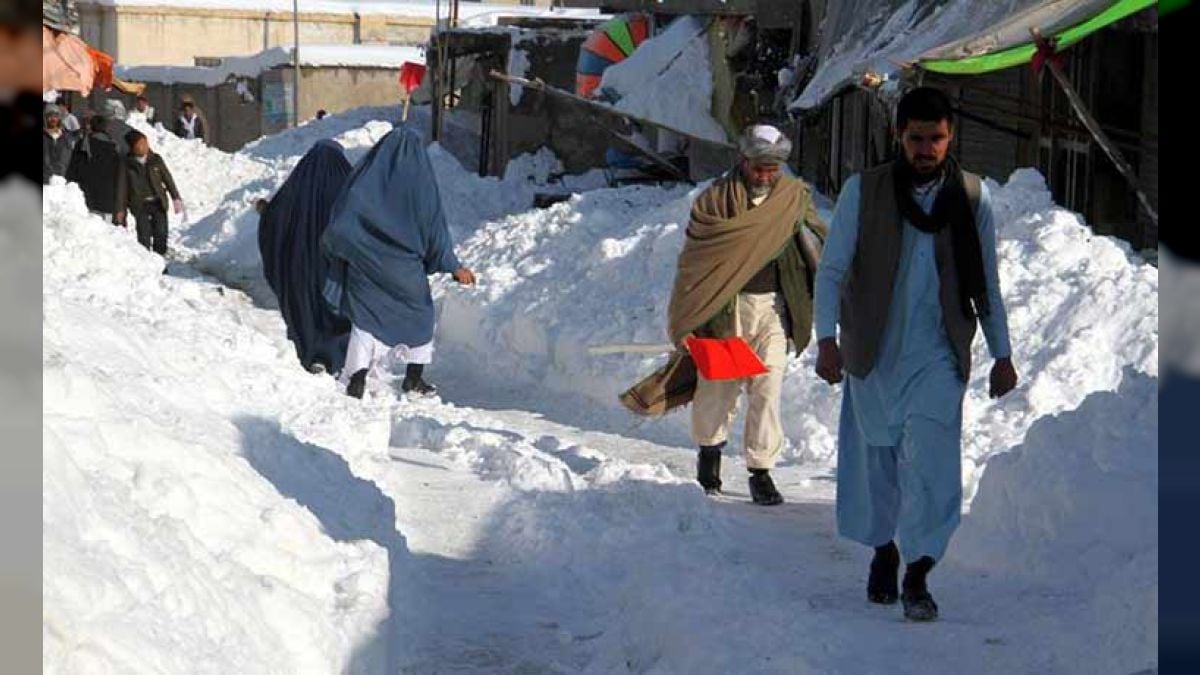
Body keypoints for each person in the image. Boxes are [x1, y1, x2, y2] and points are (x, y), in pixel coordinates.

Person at [813, 87, 1018, 622]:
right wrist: (827, 339)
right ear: (899, 137)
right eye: (916, 139)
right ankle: (884, 548)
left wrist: (1002, 353)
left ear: (951, 138)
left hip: (939, 354)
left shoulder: (972, 197)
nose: (926, 148)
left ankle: (920, 570)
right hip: (874, 349)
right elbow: (832, 270)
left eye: (936, 138)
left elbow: (987, 282)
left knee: (932, 464)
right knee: (877, 459)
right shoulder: (866, 191)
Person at [663, 124, 827, 505]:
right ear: (744, 160)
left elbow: (818, 240)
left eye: (772, 169)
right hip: (726, 307)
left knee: (767, 388)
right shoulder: (715, 201)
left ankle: (761, 472)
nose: (765, 176)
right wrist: (689, 313)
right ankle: (709, 456)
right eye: (759, 168)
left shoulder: (793, 198)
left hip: (775, 307)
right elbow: (694, 261)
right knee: (719, 387)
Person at [322, 126, 476, 399]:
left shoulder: (364, 182)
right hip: (406, 273)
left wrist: (350, 250)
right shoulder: (421, 186)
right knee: (421, 319)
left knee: (364, 322)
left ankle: (356, 376)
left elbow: (340, 226)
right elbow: (435, 231)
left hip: (365, 267)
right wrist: (453, 266)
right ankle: (413, 379)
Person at [258, 140, 354, 374]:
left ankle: (313, 353)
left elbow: (276, 217)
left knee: (305, 308)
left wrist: (265, 210)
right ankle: (339, 354)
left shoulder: (298, 185)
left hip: (301, 264)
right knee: (336, 308)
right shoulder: (349, 185)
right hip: (336, 266)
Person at [114, 130, 184, 255]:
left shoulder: (155, 159)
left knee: (161, 233)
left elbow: (167, 178)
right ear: (133, 148)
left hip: (158, 202)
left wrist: (176, 197)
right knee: (144, 235)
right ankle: (147, 262)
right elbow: (122, 188)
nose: (144, 147)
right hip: (140, 204)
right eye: (140, 144)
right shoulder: (126, 164)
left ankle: (160, 260)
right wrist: (120, 209)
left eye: (145, 143)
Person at [66, 114, 121, 218]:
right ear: (106, 127)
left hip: (87, 195)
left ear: (91, 126)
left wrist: (70, 184)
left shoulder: (83, 144)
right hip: (108, 196)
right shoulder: (114, 147)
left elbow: (73, 167)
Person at [42, 103, 74, 183]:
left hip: (62, 180)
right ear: (45, 117)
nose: (53, 119)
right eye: (50, 116)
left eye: (56, 116)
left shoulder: (67, 136)